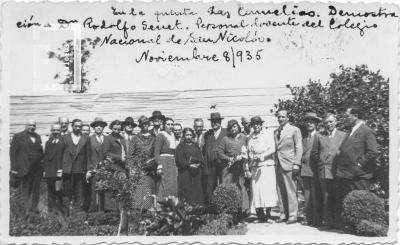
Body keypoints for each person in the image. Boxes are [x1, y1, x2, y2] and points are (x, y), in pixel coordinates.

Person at [335, 105, 379, 227]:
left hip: (359, 175)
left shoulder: (366, 131)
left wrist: (360, 163)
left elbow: (373, 152)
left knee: (362, 202)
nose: (345, 119)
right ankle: (351, 226)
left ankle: (363, 226)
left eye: (348, 116)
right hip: (347, 174)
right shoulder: (350, 131)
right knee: (349, 202)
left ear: (356, 116)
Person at [312, 113, 347, 229]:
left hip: (338, 171)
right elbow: (315, 154)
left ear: (336, 122)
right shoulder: (319, 136)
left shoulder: (343, 135)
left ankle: (338, 222)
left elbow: (345, 153)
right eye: (326, 122)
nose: (329, 124)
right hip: (325, 170)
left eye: (331, 121)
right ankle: (328, 222)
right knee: (326, 197)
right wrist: (321, 164)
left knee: (338, 196)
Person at [10, 119, 44, 217]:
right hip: (24, 168)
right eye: (30, 125)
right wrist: (14, 168)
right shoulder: (18, 136)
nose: (32, 127)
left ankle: (34, 209)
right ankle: (26, 211)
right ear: (25, 125)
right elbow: (13, 153)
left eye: (34, 125)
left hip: (37, 169)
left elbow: (40, 152)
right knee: (25, 190)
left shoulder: (37, 137)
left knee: (36, 190)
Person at [246, 116, 277, 223]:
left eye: (258, 123)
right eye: (254, 124)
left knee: (267, 191)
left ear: (261, 124)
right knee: (257, 191)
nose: (256, 126)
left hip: (266, 165)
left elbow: (272, 148)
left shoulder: (267, 134)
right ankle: (260, 216)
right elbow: (249, 151)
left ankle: (268, 216)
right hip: (255, 166)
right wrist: (252, 157)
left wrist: (262, 156)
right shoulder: (250, 137)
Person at [274, 109, 303, 224]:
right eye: (279, 117)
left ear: (287, 118)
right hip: (278, 164)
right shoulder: (276, 132)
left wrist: (297, 163)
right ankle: (283, 214)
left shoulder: (294, 130)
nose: (280, 119)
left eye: (283, 116)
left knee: (291, 190)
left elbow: (298, 147)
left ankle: (292, 215)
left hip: (290, 163)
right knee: (280, 190)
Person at [216, 119, 249, 212]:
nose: (233, 129)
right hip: (228, 168)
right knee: (228, 186)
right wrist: (229, 158)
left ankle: (243, 210)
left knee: (241, 186)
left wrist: (244, 158)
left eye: (234, 126)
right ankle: (229, 209)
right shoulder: (225, 139)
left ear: (238, 127)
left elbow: (248, 149)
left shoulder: (243, 137)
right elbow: (220, 153)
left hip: (240, 167)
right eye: (230, 127)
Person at [59, 119, 91, 212]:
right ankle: (66, 214)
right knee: (67, 193)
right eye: (76, 126)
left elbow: (88, 155)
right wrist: (60, 168)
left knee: (79, 194)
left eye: (79, 126)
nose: (78, 128)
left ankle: (77, 215)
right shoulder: (65, 137)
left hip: (80, 170)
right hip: (67, 169)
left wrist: (88, 170)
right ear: (72, 126)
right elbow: (60, 154)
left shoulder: (86, 138)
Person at [101, 120, 127, 233]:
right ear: (111, 128)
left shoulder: (122, 138)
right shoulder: (108, 139)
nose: (117, 130)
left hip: (121, 169)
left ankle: (119, 216)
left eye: (118, 129)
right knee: (110, 192)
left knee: (120, 192)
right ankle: (109, 216)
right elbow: (105, 153)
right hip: (111, 168)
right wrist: (118, 158)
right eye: (115, 128)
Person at [128, 115, 157, 210]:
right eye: (143, 124)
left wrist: (151, 162)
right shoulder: (135, 138)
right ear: (140, 126)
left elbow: (155, 154)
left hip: (149, 170)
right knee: (138, 192)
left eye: (146, 124)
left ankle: (147, 211)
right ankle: (137, 212)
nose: (145, 125)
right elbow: (130, 155)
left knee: (148, 191)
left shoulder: (153, 139)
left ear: (149, 124)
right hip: (137, 170)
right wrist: (132, 168)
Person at [300, 112, 322, 227]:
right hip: (305, 170)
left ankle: (317, 220)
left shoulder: (319, 136)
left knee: (316, 196)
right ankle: (309, 219)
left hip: (315, 171)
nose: (309, 124)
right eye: (307, 122)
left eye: (312, 121)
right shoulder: (304, 139)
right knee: (307, 196)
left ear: (316, 124)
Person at [175, 128, 205, 205]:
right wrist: (189, 165)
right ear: (184, 136)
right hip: (185, 172)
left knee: (196, 191)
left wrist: (199, 164)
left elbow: (200, 157)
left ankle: (197, 209)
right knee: (187, 191)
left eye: (190, 135)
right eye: (187, 135)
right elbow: (180, 160)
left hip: (196, 172)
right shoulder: (180, 146)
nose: (189, 137)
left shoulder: (195, 146)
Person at [84, 117, 107, 212]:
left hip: (105, 170)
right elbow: (87, 156)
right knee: (93, 193)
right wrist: (89, 170)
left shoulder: (107, 139)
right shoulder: (90, 139)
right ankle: (93, 214)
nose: (99, 128)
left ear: (103, 128)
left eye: (101, 126)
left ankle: (103, 212)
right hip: (94, 169)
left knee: (104, 191)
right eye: (97, 126)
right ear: (93, 128)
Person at [203, 112, 227, 204]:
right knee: (210, 187)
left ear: (220, 122)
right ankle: (212, 207)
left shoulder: (226, 132)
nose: (214, 123)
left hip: (223, 165)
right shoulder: (208, 134)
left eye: (216, 121)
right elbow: (205, 152)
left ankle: (223, 206)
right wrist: (206, 167)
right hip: (211, 165)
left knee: (223, 185)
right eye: (212, 121)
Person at [154, 117, 179, 200]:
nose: (170, 126)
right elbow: (156, 152)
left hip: (172, 162)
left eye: (172, 124)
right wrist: (159, 166)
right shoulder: (161, 135)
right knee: (165, 183)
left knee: (173, 183)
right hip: (164, 161)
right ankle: (162, 205)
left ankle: (172, 205)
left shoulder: (173, 135)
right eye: (168, 124)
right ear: (164, 125)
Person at [43, 123, 64, 213]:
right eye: (54, 130)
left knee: (58, 190)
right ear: (51, 131)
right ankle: (51, 210)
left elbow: (64, 157)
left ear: (60, 131)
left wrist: (60, 169)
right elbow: (46, 157)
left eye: (57, 130)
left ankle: (60, 210)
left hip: (59, 170)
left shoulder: (64, 142)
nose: (56, 132)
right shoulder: (48, 142)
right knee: (50, 191)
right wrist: (44, 170)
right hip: (49, 171)